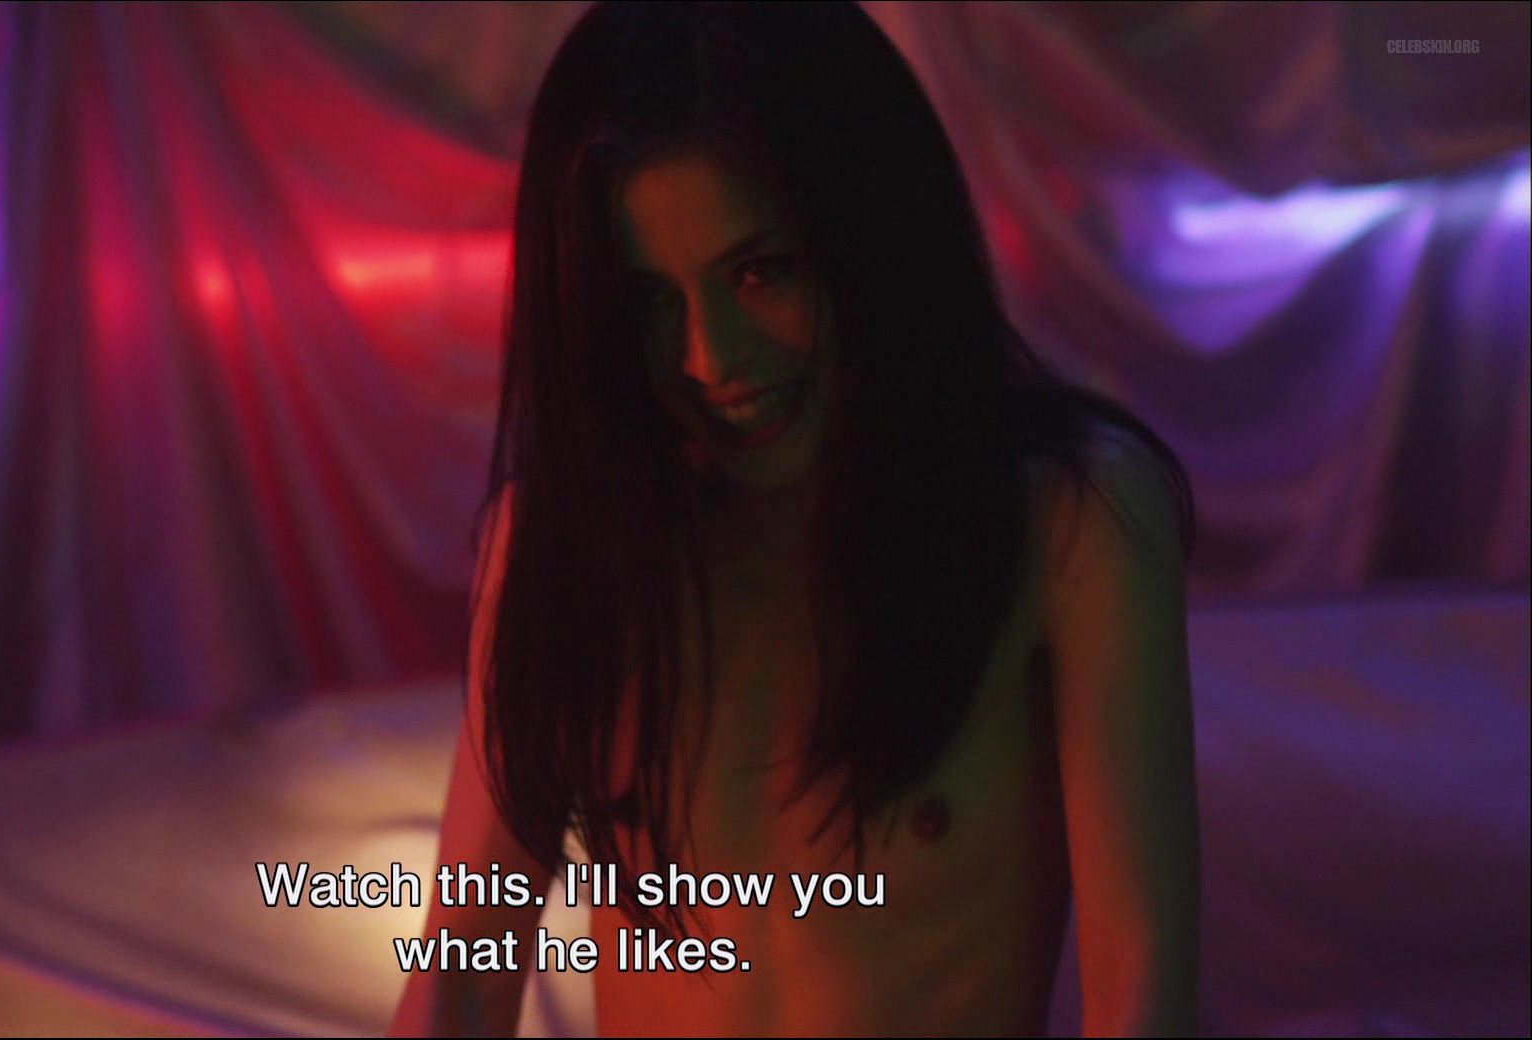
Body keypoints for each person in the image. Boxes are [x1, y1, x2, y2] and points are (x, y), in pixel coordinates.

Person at [391, 2, 1198, 1035]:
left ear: (871, 243)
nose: (712, 358)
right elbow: (463, 973)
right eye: (650, 301)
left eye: (759, 270)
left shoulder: (1066, 519)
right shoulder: (569, 543)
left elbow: (1141, 1000)